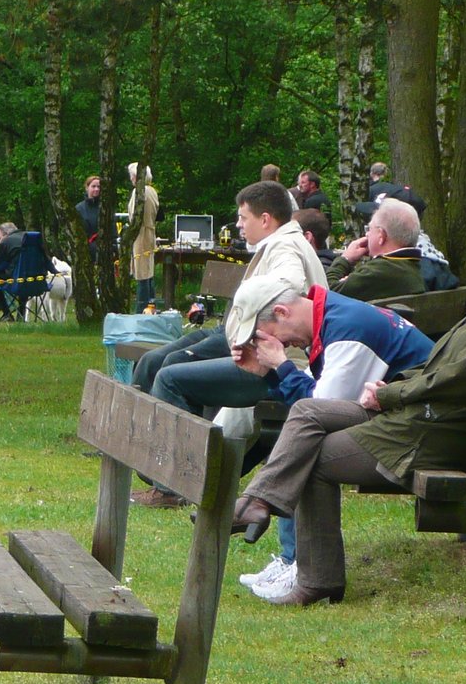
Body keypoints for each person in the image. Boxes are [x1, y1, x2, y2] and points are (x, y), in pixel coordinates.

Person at [229, 223, 466, 606]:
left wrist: (391, 394)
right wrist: (390, 389)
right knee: (308, 412)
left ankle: (315, 575)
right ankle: (255, 504)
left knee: (313, 456)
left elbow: (458, 377)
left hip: (431, 431)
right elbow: (438, 366)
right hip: (420, 416)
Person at [221, 273, 436, 602]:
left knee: (308, 445)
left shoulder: (347, 329)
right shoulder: (332, 319)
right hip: (402, 419)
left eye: (266, 337)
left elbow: (319, 410)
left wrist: (281, 366)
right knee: (305, 444)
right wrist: (271, 374)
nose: (274, 345)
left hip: (423, 429)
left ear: (281, 312)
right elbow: (314, 408)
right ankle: (306, 569)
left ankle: (265, 516)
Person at [130, 179, 329, 506]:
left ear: (265, 219)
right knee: (165, 365)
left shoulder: (285, 247)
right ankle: (162, 469)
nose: (238, 224)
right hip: (256, 350)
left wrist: (251, 318)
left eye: (243, 217)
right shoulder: (283, 242)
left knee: (171, 378)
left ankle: (174, 487)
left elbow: (289, 284)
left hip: (276, 365)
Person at [326, 198, 427, 303]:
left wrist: (345, 259)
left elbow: (327, 291)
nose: (367, 234)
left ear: (381, 235)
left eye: (369, 229)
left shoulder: (379, 271)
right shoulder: (413, 266)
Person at [127, 163, 159, 311]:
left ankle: (141, 309)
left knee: (142, 274)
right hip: (150, 233)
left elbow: (134, 215)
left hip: (141, 234)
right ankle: (150, 306)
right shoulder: (152, 191)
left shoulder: (139, 192)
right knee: (149, 272)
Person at [75, 175, 105, 260]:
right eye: (93, 186)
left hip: (105, 250)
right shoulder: (79, 208)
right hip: (86, 251)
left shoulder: (105, 207)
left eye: (99, 187)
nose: (96, 189)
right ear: (87, 187)